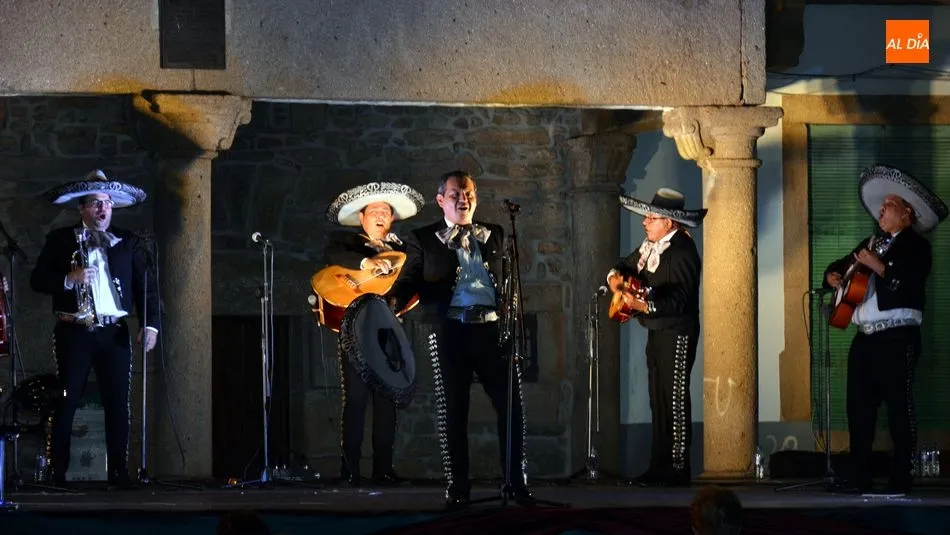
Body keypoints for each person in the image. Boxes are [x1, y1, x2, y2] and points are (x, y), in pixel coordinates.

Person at [388, 170, 533, 507]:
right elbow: (408, 282)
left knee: (512, 408)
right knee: (453, 411)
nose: (462, 199)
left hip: (492, 331)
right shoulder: (423, 239)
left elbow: (507, 280)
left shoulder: (495, 233)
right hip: (451, 332)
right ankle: (458, 487)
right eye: (455, 194)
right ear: (441, 201)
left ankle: (515, 481)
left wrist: (509, 314)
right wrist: (391, 304)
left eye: (468, 193)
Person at [822, 165, 947, 495]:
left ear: (906, 212)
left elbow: (907, 282)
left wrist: (880, 266)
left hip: (897, 336)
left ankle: (902, 475)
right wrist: (832, 276)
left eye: (888, 204)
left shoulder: (917, 247)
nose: (881, 209)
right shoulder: (871, 242)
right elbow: (839, 266)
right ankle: (858, 475)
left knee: (898, 406)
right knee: (859, 410)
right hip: (866, 339)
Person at [30, 169, 159, 489]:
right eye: (95, 203)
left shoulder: (128, 241)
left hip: (113, 332)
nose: (103, 208)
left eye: (107, 203)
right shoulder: (60, 240)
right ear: (81, 209)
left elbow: (147, 287)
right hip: (74, 331)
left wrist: (151, 325)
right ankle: (56, 473)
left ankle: (118, 471)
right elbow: (37, 280)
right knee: (67, 400)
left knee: (118, 402)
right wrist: (67, 279)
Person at [323, 181, 425, 485]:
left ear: (392, 219)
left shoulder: (404, 251)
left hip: (390, 331)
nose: (380, 215)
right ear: (362, 218)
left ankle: (383, 468)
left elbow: (415, 280)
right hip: (356, 330)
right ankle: (349, 469)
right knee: (355, 399)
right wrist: (368, 262)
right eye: (374, 211)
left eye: (385, 211)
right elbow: (331, 254)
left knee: (387, 399)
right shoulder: (347, 243)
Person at [606, 187, 705, 487]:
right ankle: (658, 466)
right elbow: (625, 264)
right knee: (657, 400)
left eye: (652, 217)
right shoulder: (650, 246)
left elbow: (681, 300)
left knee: (674, 399)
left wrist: (644, 304)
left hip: (677, 330)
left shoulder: (683, 251)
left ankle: (677, 467)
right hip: (656, 330)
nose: (645, 222)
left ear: (670, 223)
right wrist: (614, 278)